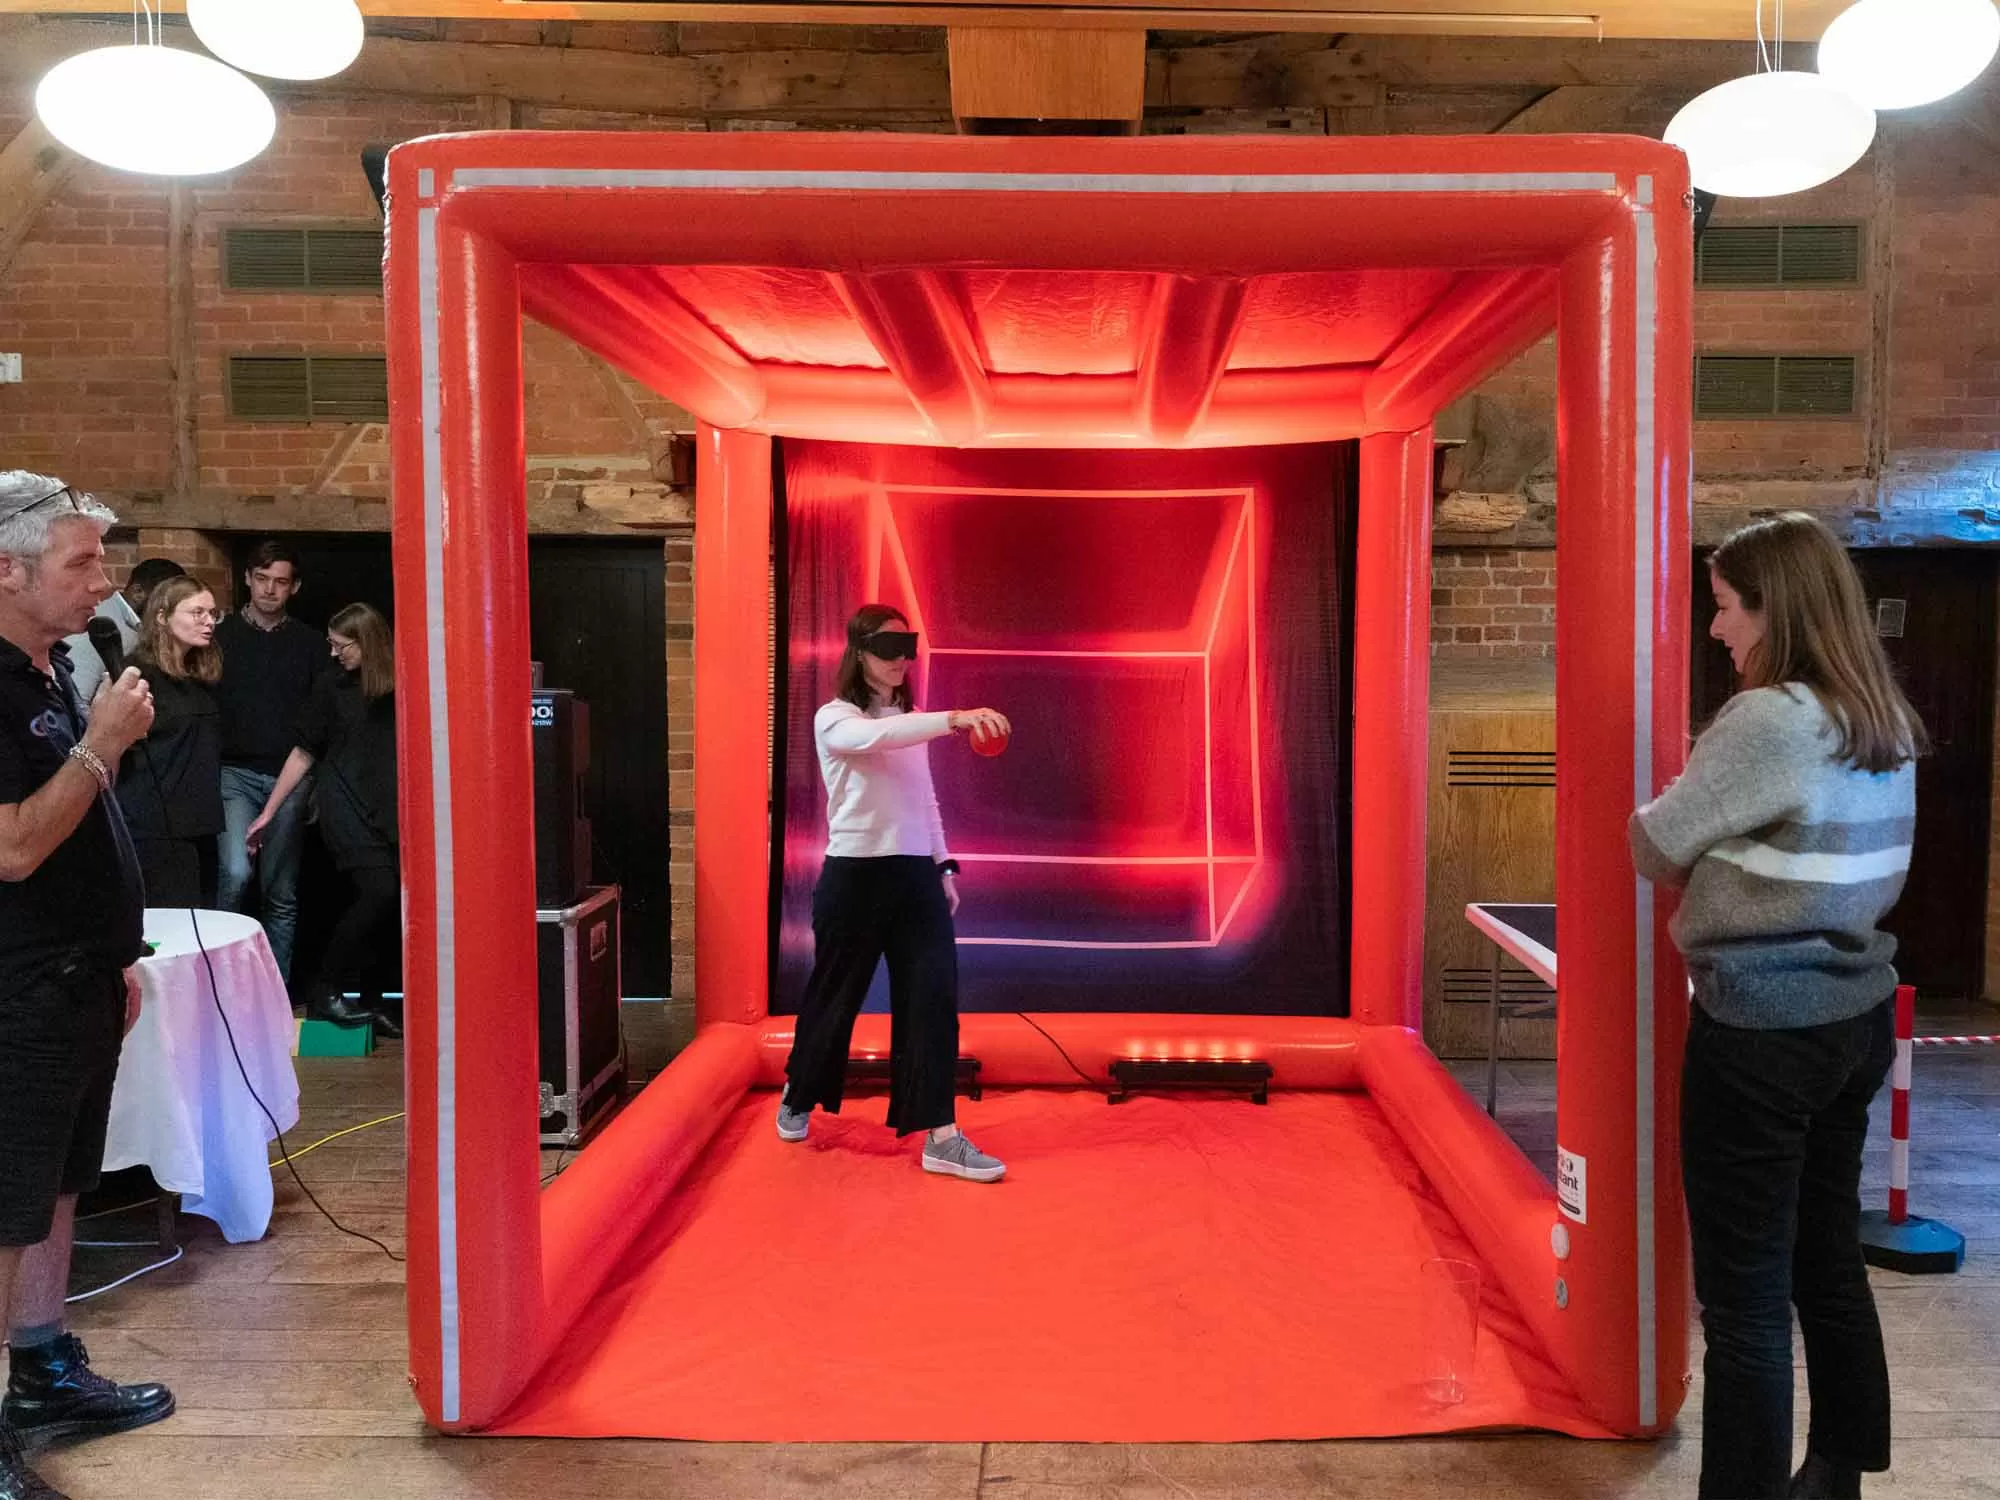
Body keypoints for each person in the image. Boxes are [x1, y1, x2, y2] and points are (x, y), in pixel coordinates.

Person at [1629, 512, 1923, 1500]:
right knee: (1823, 1259)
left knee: (1744, 1300)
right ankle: (1837, 1469)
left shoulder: (1766, 720)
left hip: (1759, 1026)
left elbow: (1651, 846)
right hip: (1851, 1020)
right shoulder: (1875, 715)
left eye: (1723, 608)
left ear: (1773, 609)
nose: (1715, 631)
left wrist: (1678, 781)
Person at [0, 471, 177, 1500]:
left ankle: (44, 1368)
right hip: (17, 990)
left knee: (58, 1188)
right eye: (81, 563)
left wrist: (113, 957)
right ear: (8, 569)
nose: (101, 583)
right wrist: (103, 744)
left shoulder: (49, 666)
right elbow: (17, 848)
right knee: (8, 1205)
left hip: (76, 981)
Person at [776, 603, 1013, 1182]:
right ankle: (798, 1093)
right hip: (854, 878)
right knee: (834, 998)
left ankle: (941, 1135)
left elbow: (922, 798)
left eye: (907, 646)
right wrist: (954, 717)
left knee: (933, 999)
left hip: (913, 879)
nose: (901, 658)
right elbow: (874, 736)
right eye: (888, 647)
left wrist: (942, 866)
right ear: (859, 653)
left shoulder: (911, 722)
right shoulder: (834, 718)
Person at [246, 604, 400, 1038]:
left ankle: (372, 1000)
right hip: (345, 803)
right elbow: (303, 752)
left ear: (367, 643)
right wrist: (269, 811)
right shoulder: (331, 686)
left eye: (341, 646)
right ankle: (325, 991)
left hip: (388, 806)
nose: (334, 654)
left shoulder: (400, 684)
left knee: (389, 906)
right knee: (378, 893)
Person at [212, 540, 326, 982]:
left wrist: (311, 784)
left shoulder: (312, 645)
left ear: (293, 587)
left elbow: (321, 722)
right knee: (235, 874)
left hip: (290, 775)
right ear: (247, 580)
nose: (269, 590)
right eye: (261, 579)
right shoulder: (219, 638)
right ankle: (218, 984)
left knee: (281, 892)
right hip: (234, 774)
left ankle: (273, 994)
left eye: (280, 582)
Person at [118, 576, 225, 909]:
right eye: (197, 612)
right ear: (162, 617)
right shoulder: (136, 673)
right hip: (154, 825)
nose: (208, 621)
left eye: (212, 613)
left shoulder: (199, 675)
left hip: (200, 822)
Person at [60, 556, 185, 713]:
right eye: (165, 601)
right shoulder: (99, 624)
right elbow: (76, 700)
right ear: (138, 592)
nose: (170, 610)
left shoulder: (138, 625)